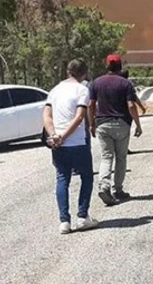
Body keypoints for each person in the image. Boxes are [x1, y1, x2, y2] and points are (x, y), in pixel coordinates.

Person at [43, 59, 98, 234]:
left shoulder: (55, 90)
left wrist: (54, 135)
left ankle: (64, 222)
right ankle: (82, 217)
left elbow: (46, 115)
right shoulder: (82, 90)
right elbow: (80, 117)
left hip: (58, 143)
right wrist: (65, 136)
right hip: (77, 142)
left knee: (62, 179)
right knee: (87, 177)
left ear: (67, 71)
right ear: (84, 73)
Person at [89, 54, 143, 206]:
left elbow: (91, 105)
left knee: (106, 157)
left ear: (106, 66)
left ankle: (104, 186)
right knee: (121, 157)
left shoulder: (96, 83)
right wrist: (138, 124)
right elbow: (131, 105)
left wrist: (92, 124)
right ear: (120, 67)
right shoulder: (125, 83)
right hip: (122, 124)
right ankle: (118, 189)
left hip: (102, 124)